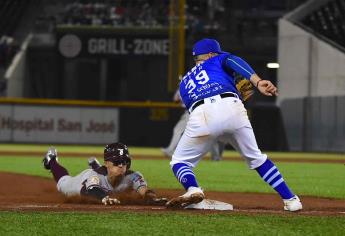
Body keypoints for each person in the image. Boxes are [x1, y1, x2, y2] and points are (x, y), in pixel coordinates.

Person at [165, 38, 302, 212]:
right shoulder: (218, 59)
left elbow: (195, 102)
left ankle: (193, 189)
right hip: (231, 107)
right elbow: (233, 60)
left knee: (179, 161)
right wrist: (257, 81)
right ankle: (290, 200)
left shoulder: (185, 81)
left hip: (201, 115)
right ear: (211, 54)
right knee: (257, 158)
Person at [42, 142, 167, 205]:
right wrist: (104, 198)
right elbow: (91, 190)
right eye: (117, 161)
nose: (121, 165)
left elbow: (144, 190)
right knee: (64, 182)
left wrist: (152, 198)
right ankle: (51, 160)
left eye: (124, 161)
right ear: (107, 162)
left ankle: (94, 163)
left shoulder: (133, 176)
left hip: (103, 176)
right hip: (83, 182)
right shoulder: (94, 176)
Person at [162, 88, 225, 161]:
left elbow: (176, 99)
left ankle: (170, 150)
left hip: (193, 112)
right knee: (208, 134)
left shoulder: (185, 88)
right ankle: (216, 156)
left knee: (178, 130)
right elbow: (176, 100)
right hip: (204, 111)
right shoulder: (201, 87)